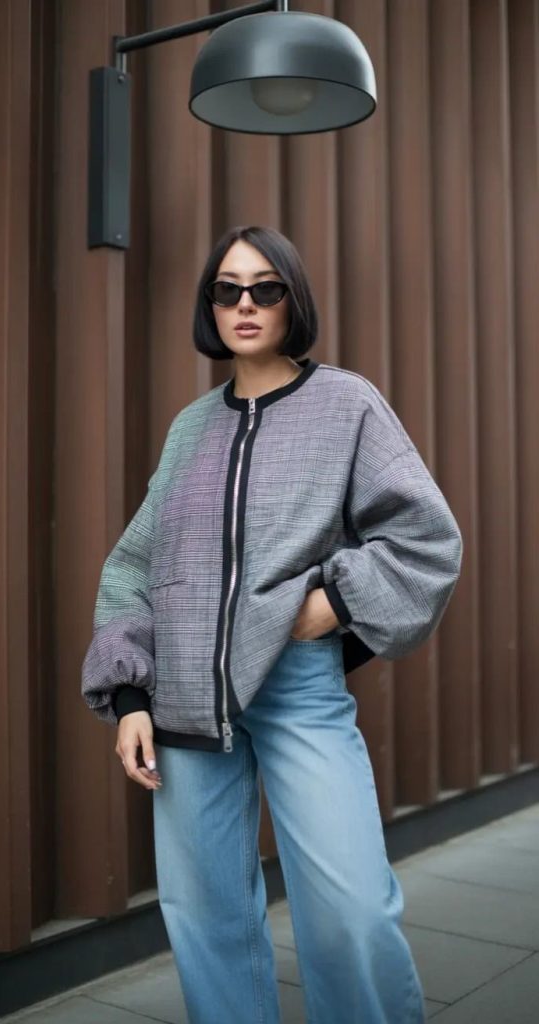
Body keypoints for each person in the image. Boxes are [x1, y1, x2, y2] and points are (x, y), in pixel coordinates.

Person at [82, 225, 463, 1023]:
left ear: (293, 299)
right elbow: (134, 567)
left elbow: (425, 538)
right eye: (227, 289)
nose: (245, 304)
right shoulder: (192, 427)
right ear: (210, 306)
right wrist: (129, 697)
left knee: (353, 914)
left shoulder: (345, 404)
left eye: (265, 288)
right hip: (184, 698)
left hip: (296, 689)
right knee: (206, 920)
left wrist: (330, 605)